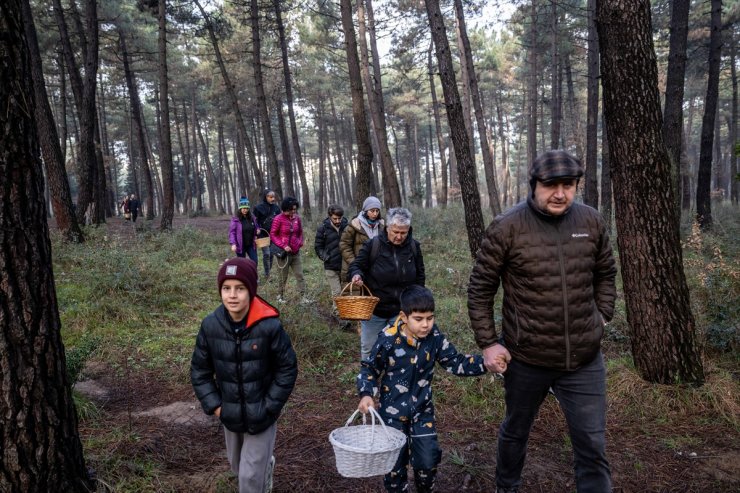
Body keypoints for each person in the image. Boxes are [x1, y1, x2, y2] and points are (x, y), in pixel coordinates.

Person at [467, 150, 618, 493]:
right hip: (526, 358)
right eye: (551, 185)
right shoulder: (507, 226)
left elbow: (606, 273)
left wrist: (602, 315)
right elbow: (480, 289)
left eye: (568, 185)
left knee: (592, 444)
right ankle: (507, 486)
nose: (560, 193)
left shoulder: (591, 221)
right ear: (534, 185)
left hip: (583, 359)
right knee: (516, 430)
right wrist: (489, 344)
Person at [357, 285, 486, 493]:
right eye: (419, 319)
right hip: (391, 418)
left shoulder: (434, 338)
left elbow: (455, 362)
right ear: (404, 316)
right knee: (394, 468)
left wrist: (486, 363)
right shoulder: (388, 339)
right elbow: (369, 368)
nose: (426, 325)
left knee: (427, 463)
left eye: (430, 318)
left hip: (422, 413)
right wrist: (366, 394)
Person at [191, 257, 297, 493]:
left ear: (251, 291)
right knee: (238, 467)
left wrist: (270, 406)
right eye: (226, 288)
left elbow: (287, 368)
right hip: (230, 414)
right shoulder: (210, 326)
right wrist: (217, 407)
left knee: (249, 479)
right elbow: (200, 371)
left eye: (240, 288)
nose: (232, 295)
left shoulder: (269, 327)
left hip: (262, 414)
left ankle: (259, 475)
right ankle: (266, 466)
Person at [349, 207, 425, 361]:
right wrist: (356, 275)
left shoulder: (413, 247)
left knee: (403, 350)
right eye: (395, 232)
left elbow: (420, 275)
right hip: (375, 310)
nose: (399, 236)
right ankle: (369, 381)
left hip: (402, 311)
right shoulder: (373, 245)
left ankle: (397, 381)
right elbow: (356, 265)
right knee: (369, 349)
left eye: (403, 233)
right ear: (387, 227)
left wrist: (417, 299)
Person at [314, 204, 351, 329]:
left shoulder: (347, 226)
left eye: (339, 218)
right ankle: (340, 318)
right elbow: (318, 247)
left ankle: (346, 314)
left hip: (345, 266)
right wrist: (325, 257)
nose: (337, 221)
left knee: (345, 292)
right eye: (335, 218)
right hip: (330, 266)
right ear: (330, 216)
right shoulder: (323, 228)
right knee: (336, 293)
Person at [269, 197, 308, 304]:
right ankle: (280, 296)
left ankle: (303, 297)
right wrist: (283, 245)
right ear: (285, 209)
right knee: (283, 277)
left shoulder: (297, 219)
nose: (293, 212)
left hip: (295, 253)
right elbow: (273, 235)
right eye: (291, 209)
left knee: (300, 275)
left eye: (295, 209)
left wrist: (300, 242)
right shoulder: (278, 219)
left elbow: (300, 232)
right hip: (283, 254)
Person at [339, 196, 384, 283]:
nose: (375, 214)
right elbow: (344, 245)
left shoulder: (382, 225)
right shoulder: (354, 225)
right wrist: (354, 263)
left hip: (376, 268)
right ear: (365, 211)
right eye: (372, 211)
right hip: (357, 267)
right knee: (358, 295)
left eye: (377, 211)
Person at [253, 190, 281, 279]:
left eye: (273, 197)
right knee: (267, 254)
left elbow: (280, 220)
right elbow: (254, 221)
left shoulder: (276, 208)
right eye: (270, 196)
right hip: (262, 234)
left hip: (274, 235)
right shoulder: (258, 208)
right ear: (266, 197)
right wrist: (256, 230)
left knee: (272, 254)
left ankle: (268, 274)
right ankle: (267, 274)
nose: (272, 198)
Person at [229, 197, 259, 265]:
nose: (245, 210)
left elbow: (256, 226)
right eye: (243, 208)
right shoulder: (235, 219)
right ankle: (243, 275)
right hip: (240, 245)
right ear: (240, 208)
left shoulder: (252, 218)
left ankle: (252, 275)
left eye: (247, 208)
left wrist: (258, 229)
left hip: (251, 244)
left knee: (255, 262)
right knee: (242, 264)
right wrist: (233, 244)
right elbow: (232, 232)